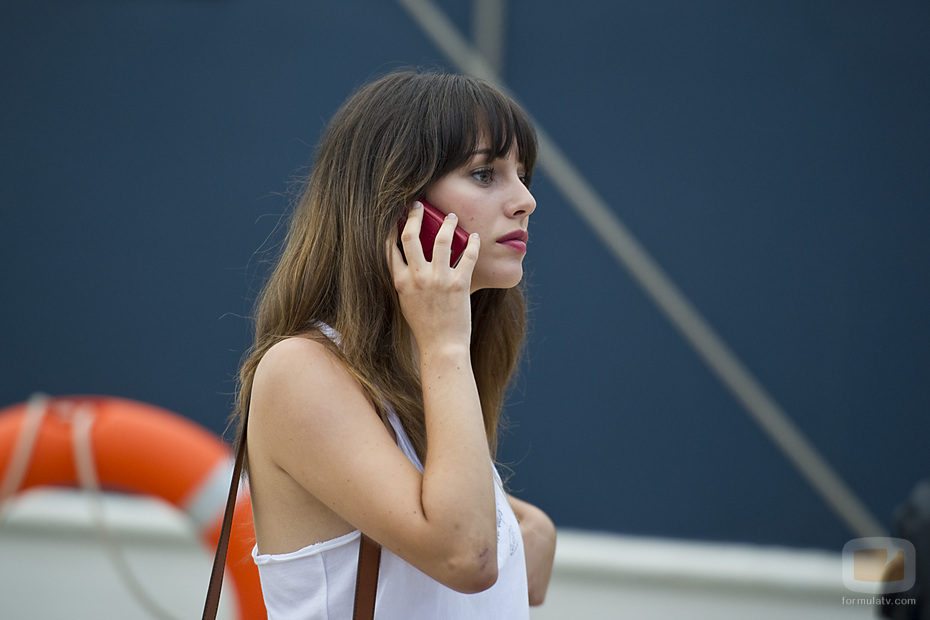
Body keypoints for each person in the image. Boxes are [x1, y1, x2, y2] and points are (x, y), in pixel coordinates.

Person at [232, 70, 557, 619]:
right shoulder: (301, 369)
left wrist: (527, 525)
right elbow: (467, 556)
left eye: (522, 176)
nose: (525, 200)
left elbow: (502, 569)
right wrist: (446, 345)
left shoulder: (425, 367)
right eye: (484, 174)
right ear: (399, 204)